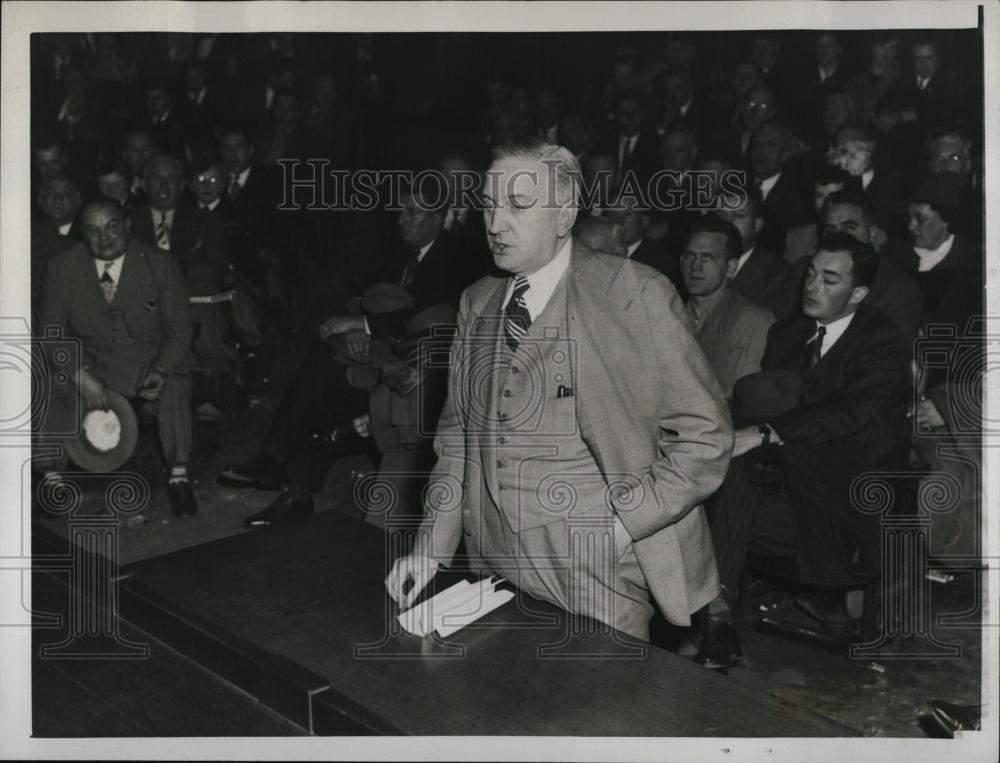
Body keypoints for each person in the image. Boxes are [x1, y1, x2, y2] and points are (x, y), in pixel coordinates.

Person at [385, 138, 733, 643]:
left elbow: (706, 437)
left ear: (565, 213)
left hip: (598, 572)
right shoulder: (477, 302)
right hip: (496, 564)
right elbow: (456, 441)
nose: (496, 224)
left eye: (518, 206)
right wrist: (430, 548)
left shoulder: (632, 293)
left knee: (599, 712)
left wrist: (622, 526)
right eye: (490, 205)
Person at [697, 232, 910, 667]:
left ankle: (715, 609)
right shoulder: (788, 333)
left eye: (830, 280)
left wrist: (763, 434)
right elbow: (763, 405)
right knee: (718, 479)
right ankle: (718, 613)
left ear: (859, 294)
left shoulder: (882, 342)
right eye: (811, 274)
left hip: (850, 493)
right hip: (784, 480)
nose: (812, 286)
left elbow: (849, 415)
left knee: (720, 496)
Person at [221, 180, 467, 528]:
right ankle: (292, 481)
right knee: (325, 364)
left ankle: (287, 473)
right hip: (385, 350)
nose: (401, 219)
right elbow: (366, 290)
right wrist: (356, 325)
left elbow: (427, 313)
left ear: (440, 217)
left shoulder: (454, 257)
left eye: (412, 212)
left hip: (422, 363)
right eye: (401, 210)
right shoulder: (404, 252)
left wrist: (364, 325)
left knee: (326, 378)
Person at [36, 199, 197, 515]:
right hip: (89, 359)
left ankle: (179, 476)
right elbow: (51, 332)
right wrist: (80, 375)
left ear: (127, 226)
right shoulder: (60, 267)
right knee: (50, 379)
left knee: (176, 381)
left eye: (111, 226)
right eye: (93, 229)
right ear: (82, 234)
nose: (104, 236)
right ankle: (51, 479)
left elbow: (179, 330)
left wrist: (161, 369)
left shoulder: (160, 263)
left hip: (144, 360)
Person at [680, 216, 776, 398]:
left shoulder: (752, 321)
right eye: (690, 256)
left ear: (731, 267)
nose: (695, 266)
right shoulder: (668, 314)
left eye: (708, 258)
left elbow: (738, 397)